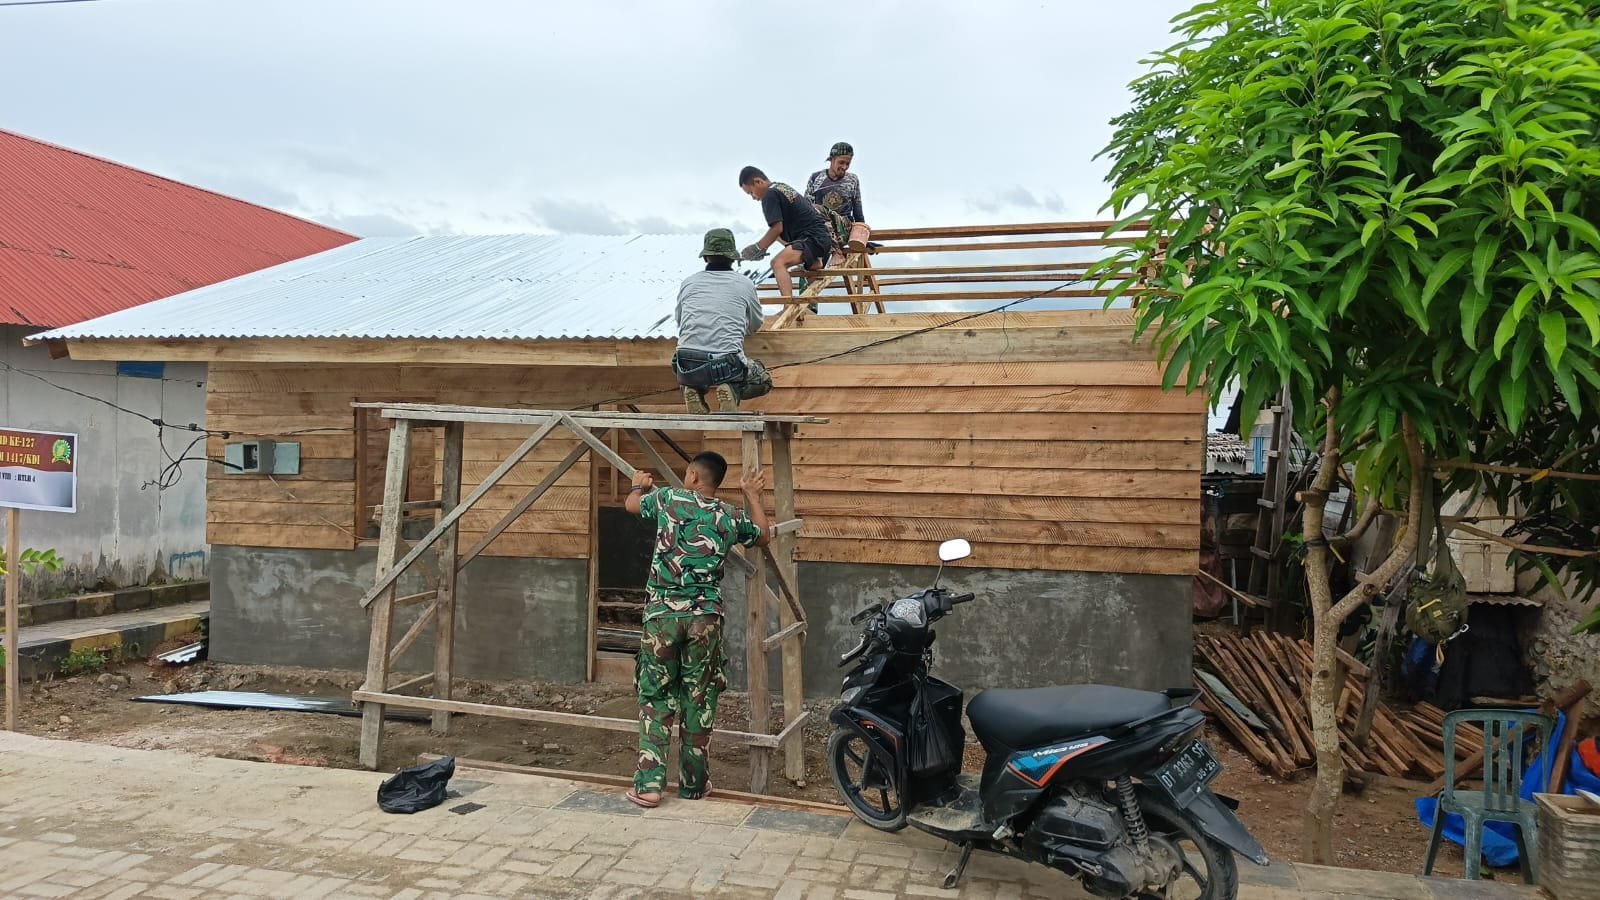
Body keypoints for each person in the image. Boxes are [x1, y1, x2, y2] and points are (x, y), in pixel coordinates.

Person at [625, 451, 772, 808]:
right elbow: (762, 536)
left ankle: (649, 786)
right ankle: (693, 784)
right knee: (699, 699)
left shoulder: (668, 499)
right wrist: (751, 494)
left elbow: (631, 505)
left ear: (692, 475)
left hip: (662, 617)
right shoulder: (728, 515)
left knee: (656, 697)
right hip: (705, 620)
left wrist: (637, 486)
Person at [673, 228, 765, 414]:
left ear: (706, 257)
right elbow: (755, 324)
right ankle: (731, 389)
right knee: (762, 378)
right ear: (732, 258)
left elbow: (680, 320)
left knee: (697, 370)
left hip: (684, 363)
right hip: (726, 364)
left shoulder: (689, 282)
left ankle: (693, 389)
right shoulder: (745, 284)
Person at [738, 166, 836, 301]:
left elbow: (776, 228)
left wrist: (757, 248)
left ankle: (787, 304)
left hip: (812, 239)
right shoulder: (780, 187)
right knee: (779, 238)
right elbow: (779, 232)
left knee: (777, 263)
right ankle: (814, 261)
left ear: (758, 182)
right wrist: (764, 248)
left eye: (751, 193)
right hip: (820, 237)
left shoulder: (769, 195)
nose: (753, 197)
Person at [805, 141, 865, 253]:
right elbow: (806, 208)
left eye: (848, 164)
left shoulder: (852, 180)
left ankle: (836, 251)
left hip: (842, 228)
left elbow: (858, 211)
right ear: (832, 159)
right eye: (841, 162)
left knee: (817, 208)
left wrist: (863, 238)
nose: (844, 167)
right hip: (820, 229)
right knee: (809, 211)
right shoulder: (816, 178)